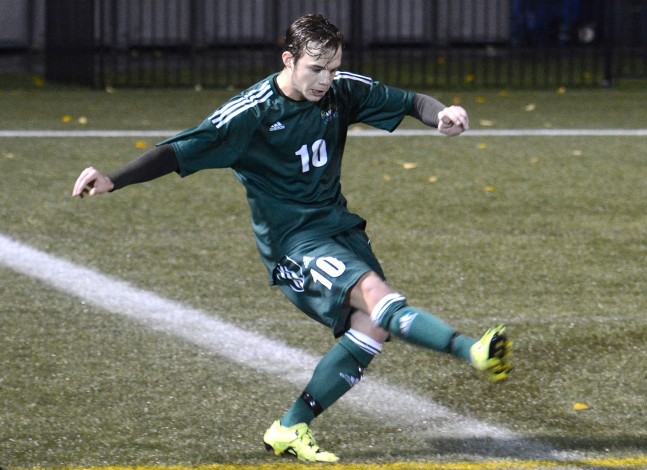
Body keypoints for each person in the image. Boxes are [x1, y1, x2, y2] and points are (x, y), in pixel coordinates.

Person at [71, 13, 512, 463]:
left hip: (338, 229)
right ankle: (472, 350)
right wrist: (113, 180)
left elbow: (410, 101)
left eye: (333, 68)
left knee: (371, 327)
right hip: (293, 244)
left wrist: (442, 116)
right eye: (316, 69)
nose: (326, 79)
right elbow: (180, 149)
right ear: (289, 59)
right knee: (378, 297)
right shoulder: (252, 113)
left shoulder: (340, 90)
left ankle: (289, 427)